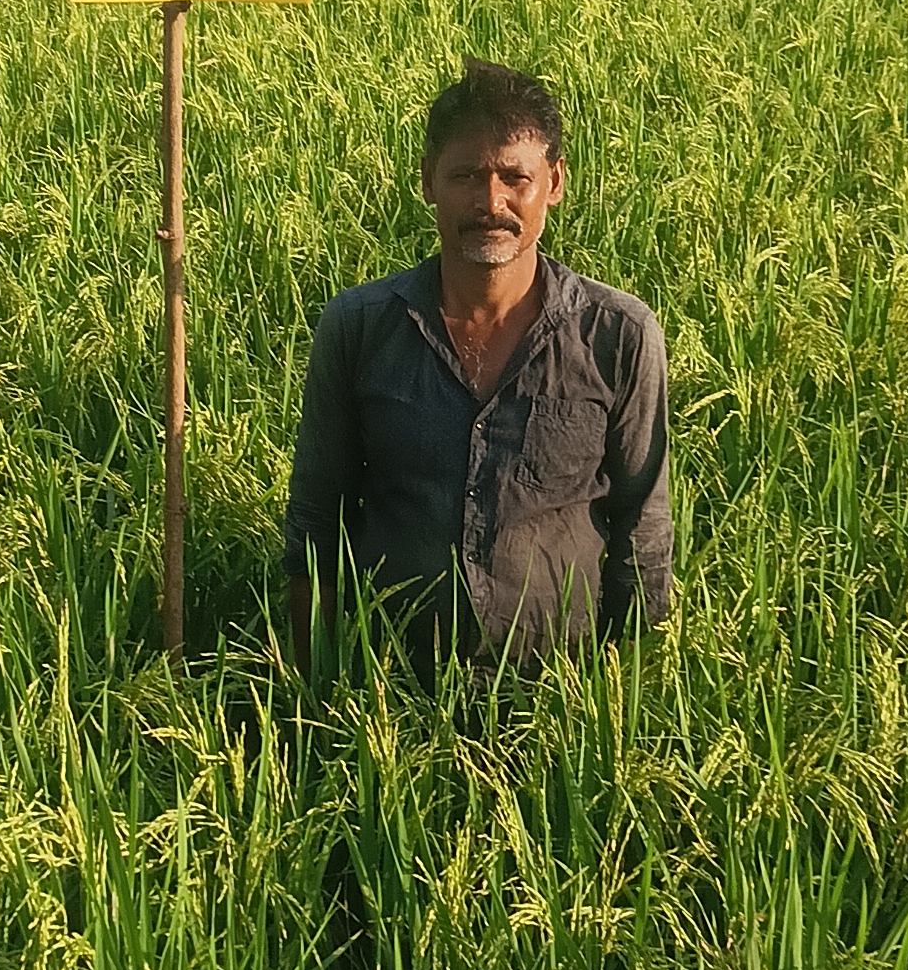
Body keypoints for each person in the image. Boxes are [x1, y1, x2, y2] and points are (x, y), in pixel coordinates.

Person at [286, 58, 672, 675]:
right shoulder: (359, 328)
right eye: (465, 175)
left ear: (555, 182)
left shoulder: (617, 335)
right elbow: (316, 520)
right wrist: (317, 687)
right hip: (390, 684)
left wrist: (621, 697)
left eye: (515, 177)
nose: (491, 202)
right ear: (427, 181)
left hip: (558, 692)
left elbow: (642, 529)